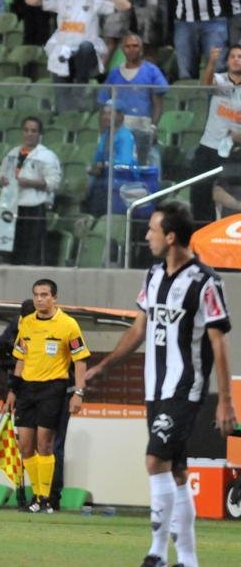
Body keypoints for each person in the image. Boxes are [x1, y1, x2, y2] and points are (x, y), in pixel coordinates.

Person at [85, 201, 234, 567]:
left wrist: (225, 400)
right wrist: (104, 366)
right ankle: (187, 559)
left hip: (186, 386)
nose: (146, 236)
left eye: (152, 229)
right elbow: (139, 328)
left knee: (155, 460)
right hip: (155, 388)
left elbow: (219, 341)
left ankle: (156, 553)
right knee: (177, 471)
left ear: (170, 236)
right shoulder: (152, 275)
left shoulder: (205, 281)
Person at [6, 278, 89, 513]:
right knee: (25, 446)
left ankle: (45, 498)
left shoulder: (68, 324)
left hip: (53, 388)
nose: (39, 299)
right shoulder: (27, 324)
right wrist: (13, 389)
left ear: (54, 298)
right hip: (26, 390)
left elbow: (80, 361)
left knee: (45, 444)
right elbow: (20, 358)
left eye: (44, 295)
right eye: (36, 295)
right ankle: (37, 496)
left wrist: (79, 393)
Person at [25, 0, 130, 113]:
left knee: (86, 46)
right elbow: (30, 0)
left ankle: (80, 87)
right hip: (64, 53)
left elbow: (125, 5)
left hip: (86, 55)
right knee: (61, 89)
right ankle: (64, 116)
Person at [0, 117, 62, 265]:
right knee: (10, 251)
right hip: (12, 207)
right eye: (26, 130)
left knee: (31, 253)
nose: (29, 134)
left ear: (40, 134)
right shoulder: (12, 153)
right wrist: (1, 181)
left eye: (33, 131)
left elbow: (54, 183)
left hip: (33, 208)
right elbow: (0, 175)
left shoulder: (47, 156)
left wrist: (31, 183)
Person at [97, 33, 168, 165]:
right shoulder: (115, 73)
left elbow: (157, 104)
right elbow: (103, 104)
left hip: (143, 126)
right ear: (123, 49)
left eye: (135, 46)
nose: (131, 49)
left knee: (147, 163)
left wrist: (153, 127)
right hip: (119, 127)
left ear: (141, 48)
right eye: (128, 46)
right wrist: (102, 133)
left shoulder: (151, 71)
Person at [191, 44, 241, 224]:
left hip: (234, 152)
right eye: (233, 56)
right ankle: (200, 234)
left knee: (225, 195)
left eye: (240, 56)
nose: (236, 59)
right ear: (227, 61)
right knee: (200, 194)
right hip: (208, 148)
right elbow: (205, 85)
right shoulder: (220, 80)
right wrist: (211, 62)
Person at [83, 102, 137, 216]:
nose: (105, 117)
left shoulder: (125, 136)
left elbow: (124, 163)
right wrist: (93, 169)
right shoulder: (106, 135)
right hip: (105, 181)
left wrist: (103, 165)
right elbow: (97, 160)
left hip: (122, 183)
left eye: (110, 114)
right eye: (104, 114)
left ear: (120, 116)